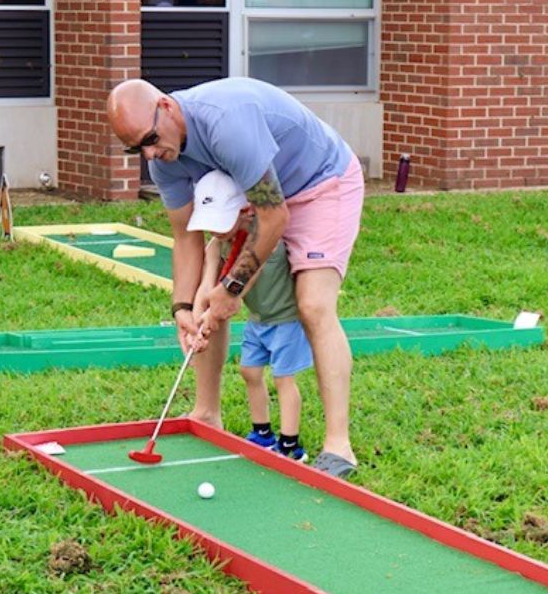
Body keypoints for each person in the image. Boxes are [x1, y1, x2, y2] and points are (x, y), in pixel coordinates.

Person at [106, 77, 365, 479]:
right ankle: (207, 412)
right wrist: (182, 307)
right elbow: (185, 236)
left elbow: (274, 217)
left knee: (313, 304)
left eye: (151, 139)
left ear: (167, 107)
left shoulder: (226, 124)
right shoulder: (163, 160)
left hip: (321, 183)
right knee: (205, 299)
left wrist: (232, 288)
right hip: (256, 197)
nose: (150, 154)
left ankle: (338, 446)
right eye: (136, 148)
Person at [189, 170, 311, 461]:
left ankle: (290, 444)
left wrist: (216, 311)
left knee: (283, 378)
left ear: (245, 211)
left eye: (221, 223)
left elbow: (242, 283)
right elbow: (209, 278)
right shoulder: (222, 240)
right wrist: (201, 312)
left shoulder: (265, 241)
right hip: (258, 320)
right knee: (249, 371)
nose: (216, 232)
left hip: (285, 321)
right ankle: (262, 433)